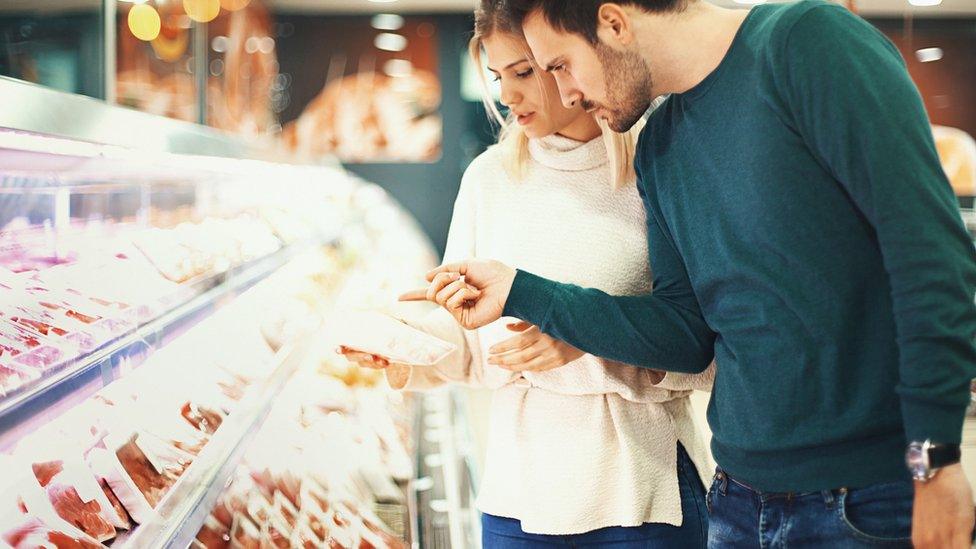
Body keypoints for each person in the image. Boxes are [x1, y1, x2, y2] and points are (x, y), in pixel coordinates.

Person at [402, 0, 976, 548]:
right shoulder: (660, 145)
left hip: (867, 498)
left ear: (613, 24)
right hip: (736, 498)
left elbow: (930, 258)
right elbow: (684, 334)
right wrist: (521, 292)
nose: (566, 90)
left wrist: (936, 461)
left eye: (558, 65)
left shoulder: (805, 44)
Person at [341, 2, 715, 546]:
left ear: (569, 60)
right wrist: (405, 348)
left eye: (523, 72)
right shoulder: (488, 180)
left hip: (641, 495)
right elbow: (475, 352)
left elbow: (702, 354)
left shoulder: (658, 170)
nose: (506, 95)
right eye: (496, 76)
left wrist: (584, 340)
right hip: (518, 500)